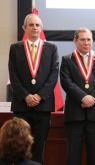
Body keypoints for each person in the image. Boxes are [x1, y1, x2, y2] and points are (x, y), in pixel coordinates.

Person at [8, 14, 59, 165]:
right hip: (21, 104)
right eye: (31, 25)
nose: (34, 28)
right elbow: (13, 74)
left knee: (39, 147)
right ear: (24, 28)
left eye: (37, 25)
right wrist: (26, 96)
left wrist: (39, 96)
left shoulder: (51, 48)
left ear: (41, 28)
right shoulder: (15, 48)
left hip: (42, 105)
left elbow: (53, 74)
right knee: (18, 145)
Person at [60, 27, 95, 165]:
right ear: (75, 41)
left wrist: (91, 100)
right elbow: (66, 82)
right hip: (74, 113)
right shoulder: (66, 60)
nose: (86, 42)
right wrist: (83, 98)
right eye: (82, 40)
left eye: (89, 39)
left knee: (94, 154)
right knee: (73, 155)